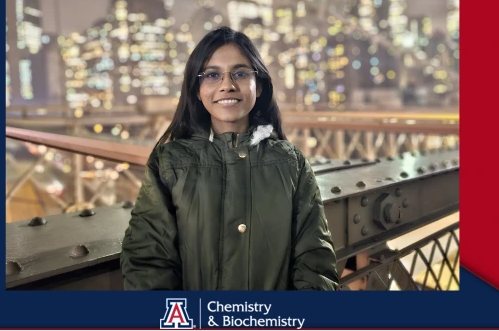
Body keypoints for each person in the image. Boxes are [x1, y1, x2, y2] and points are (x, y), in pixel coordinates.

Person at [120, 26, 339, 290]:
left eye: (241, 73)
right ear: (196, 90)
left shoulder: (291, 163)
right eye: (212, 75)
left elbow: (315, 262)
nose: (227, 85)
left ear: (258, 87)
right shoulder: (169, 164)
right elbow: (148, 263)